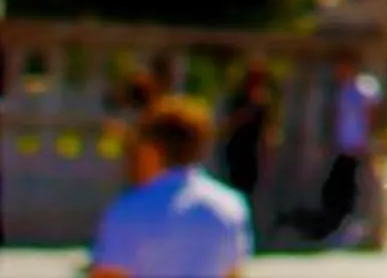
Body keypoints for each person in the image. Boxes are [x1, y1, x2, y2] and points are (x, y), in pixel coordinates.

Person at [89, 96, 252, 278]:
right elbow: (233, 272)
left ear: (151, 149)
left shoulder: (130, 209)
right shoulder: (230, 205)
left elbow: (109, 274)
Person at [312, 51, 383, 247]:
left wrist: (369, 141)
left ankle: (370, 231)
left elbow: (373, 117)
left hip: (361, 148)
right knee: (342, 191)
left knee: (366, 191)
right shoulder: (340, 90)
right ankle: (344, 230)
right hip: (343, 148)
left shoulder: (366, 88)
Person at [216, 64, 272, 217]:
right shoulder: (237, 99)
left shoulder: (262, 103)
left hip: (251, 155)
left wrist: (266, 156)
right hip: (234, 151)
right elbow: (227, 124)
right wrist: (246, 112)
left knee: (249, 192)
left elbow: (265, 132)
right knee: (232, 189)